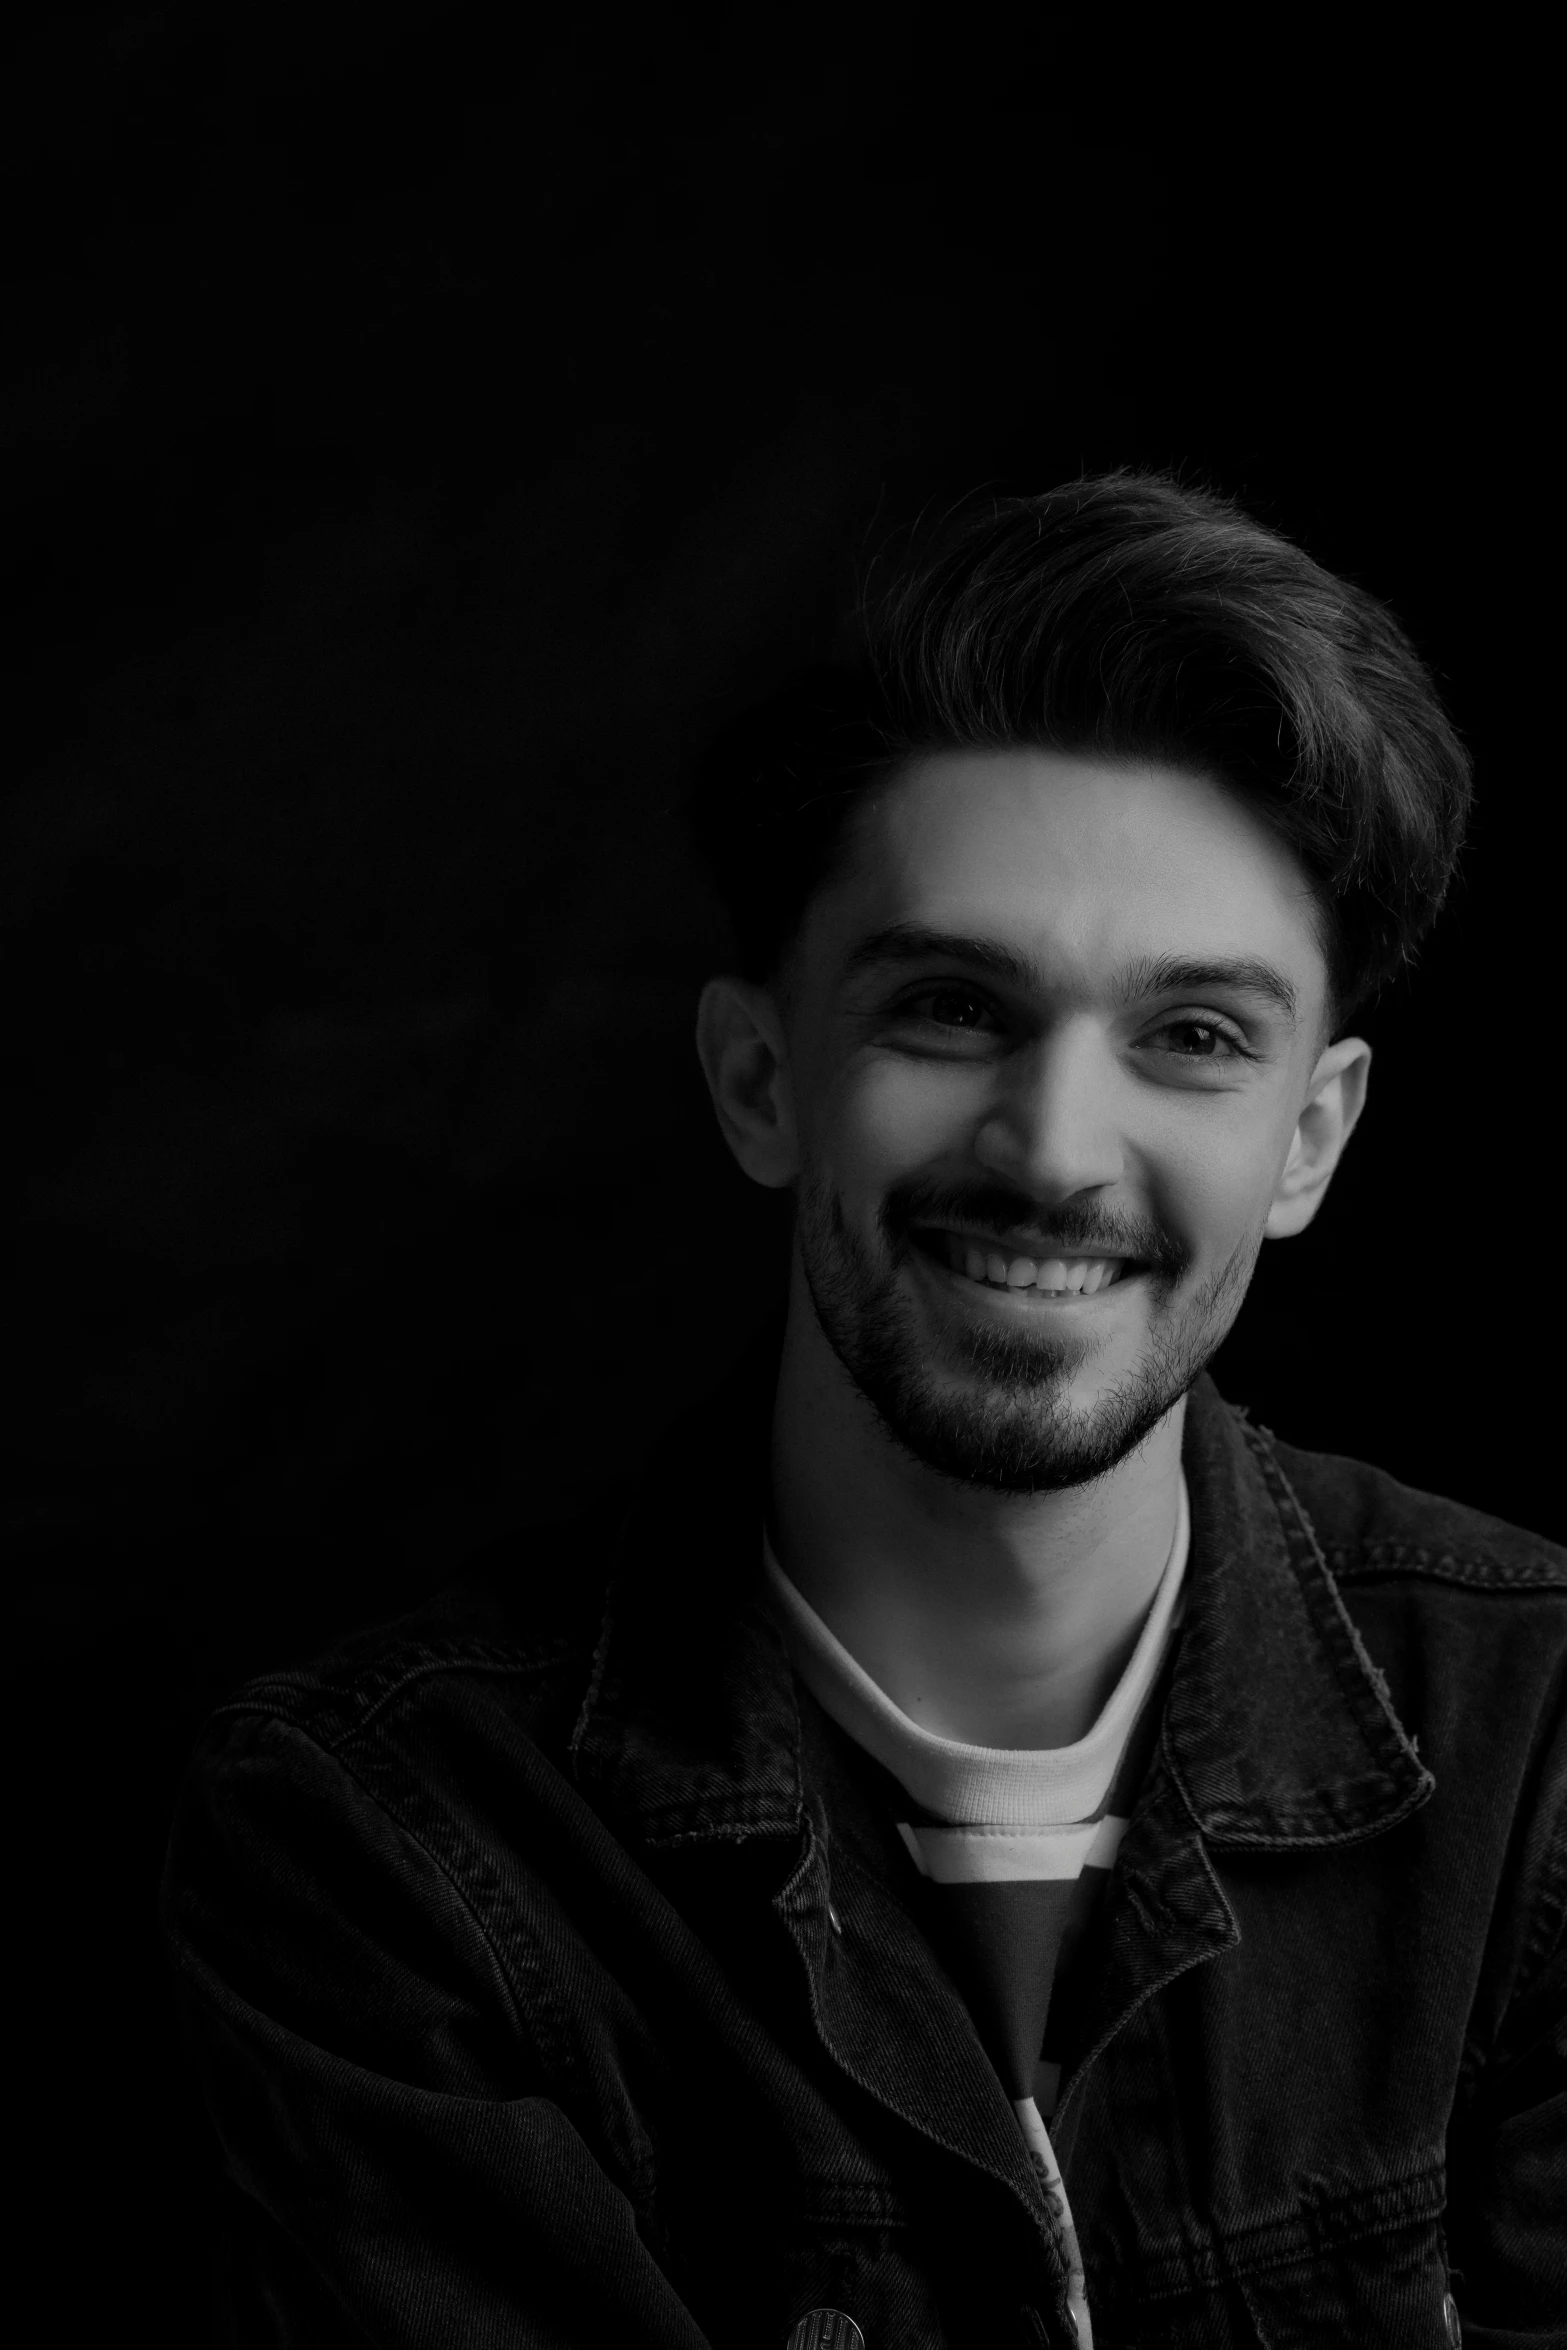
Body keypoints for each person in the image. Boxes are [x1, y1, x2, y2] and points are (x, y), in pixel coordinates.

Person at [163, 473, 1566, 2348]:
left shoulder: (1541, 1729)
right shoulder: (381, 1840)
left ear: (1308, 1139)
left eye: (1195, 1036)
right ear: (760, 1079)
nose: (1057, 1150)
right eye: (950, 1009)